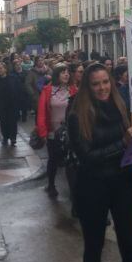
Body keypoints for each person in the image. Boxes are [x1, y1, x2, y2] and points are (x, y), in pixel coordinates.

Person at [67, 63, 132, 262]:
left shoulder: (121, 106)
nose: (102, 88)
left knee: (130, 247)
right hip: (93, 188)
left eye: (105, 82)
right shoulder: (76, 115)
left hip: (122, 184)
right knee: (94, 246)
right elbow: (87, 157)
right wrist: (123, 143)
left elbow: (130, 145)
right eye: (95, 84)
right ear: (87, 87)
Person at [37, 63, 78, 197]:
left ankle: (73, 191)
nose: (66, 74)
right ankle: (51, 184)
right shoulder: (48, 90)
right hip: (53, 132)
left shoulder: (73, 90)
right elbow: (42, 113)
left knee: (70, 162)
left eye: (67, 72)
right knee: (53, 159)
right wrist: (43, 132)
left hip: (69, 133)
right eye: (62, 72)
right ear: (56, 75)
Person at [0, 62, 26, 146]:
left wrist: (20, 103)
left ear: (5, 69)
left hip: (12, 104)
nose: (0, 70)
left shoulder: (13, 78)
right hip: (1, 105)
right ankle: (5, 137)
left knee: (13, 122)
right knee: (3, 122)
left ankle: (13, 138)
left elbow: (19, 90)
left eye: (1, 68)